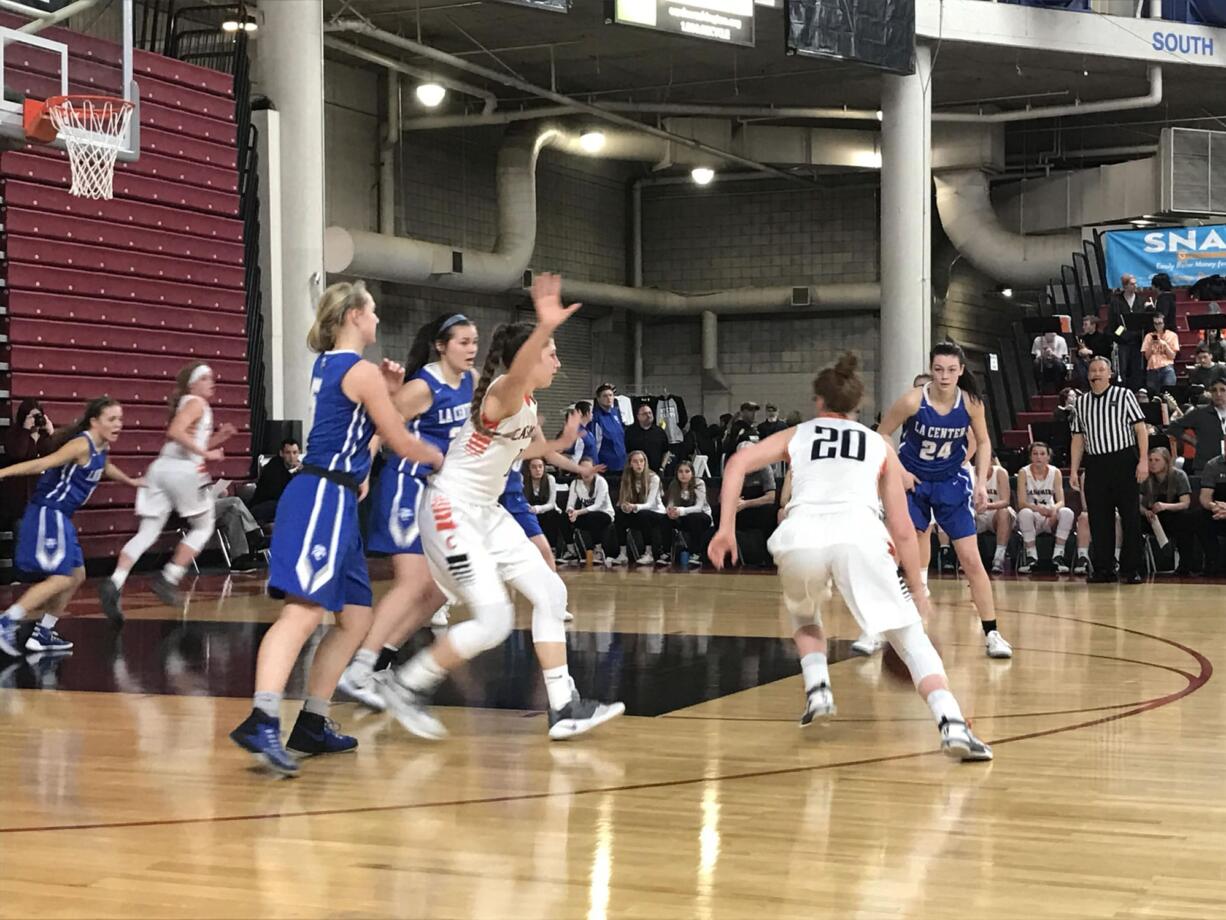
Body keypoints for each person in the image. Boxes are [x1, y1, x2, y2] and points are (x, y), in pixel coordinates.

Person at [707, 353, 992, 761]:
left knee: (805, 616)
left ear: (818, 402)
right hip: (859, 536)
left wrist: (725, 528)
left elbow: (737, 463)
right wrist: (916, 587)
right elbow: (902, 530)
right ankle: (953, 725)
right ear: (856, 407)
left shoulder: (799, 434)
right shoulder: (878, 444)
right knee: (911, 639)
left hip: (799, 535)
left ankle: (819, 689)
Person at [379, 274, 624, 742]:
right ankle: (406, 684)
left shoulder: (526, 407)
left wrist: (564, 444)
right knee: (494, 622)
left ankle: (564, 707)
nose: (557, 359)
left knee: (551, 594)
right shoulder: (501, 394)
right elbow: (518, 374)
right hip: (451, 509)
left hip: (486, 513)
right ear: (525, 360)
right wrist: (544, 326)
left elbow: (522, 451)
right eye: (550, 353)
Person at [228, 280, 446, 776]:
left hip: (339, 497)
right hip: (321, 498)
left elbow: (361, 428)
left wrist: (386, 399)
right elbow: (397, 437)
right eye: (372, 312)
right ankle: (262, 717)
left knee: (355, 619)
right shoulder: (360, 369)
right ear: (353, 315)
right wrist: (437, 456)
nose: (377, 320)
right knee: (302, 614)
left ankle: (312, 721)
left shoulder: (338, 366)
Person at [335, 313, 479, 709]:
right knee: (412, 583)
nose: (471, 349)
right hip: (405, 486)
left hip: (438, 493)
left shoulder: (471, 382)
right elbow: (380, 429)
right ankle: (358, 669)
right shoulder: (423, 386)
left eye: (474, 342)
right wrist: (362, 472)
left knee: (437, 590)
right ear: (441, 345)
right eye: (463, 342)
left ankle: (379, 661)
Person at [878, 342, 1012, 659]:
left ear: (961, 371)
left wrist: (980, 482)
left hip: (952, 483)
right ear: (930, 369)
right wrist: (899, 472)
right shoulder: (913, 401)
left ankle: (992, 633)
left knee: (971, 560)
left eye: (951, 370)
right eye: (938, 369)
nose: (944, 375)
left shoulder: (971, 404)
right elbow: (882, 434)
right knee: (898, 554)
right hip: (914, 483)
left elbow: (982, 440)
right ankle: (876, 629)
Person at [0, 398, 143, 656]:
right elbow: (42, 464)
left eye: (120, 419)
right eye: (112, 419)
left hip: (62, 516)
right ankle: (6, 622)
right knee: (61, 577)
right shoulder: (80, 445)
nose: (118, 424)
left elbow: (105, 467)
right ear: (95, 421)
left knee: (77, 575)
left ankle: (43, 634)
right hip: (48, 511)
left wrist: (131, 481)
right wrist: (3, 473)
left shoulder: (102, 446)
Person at [100, 363, 237, 620]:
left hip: (161, 469)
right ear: (192, 384)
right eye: (205, 378)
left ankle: (115, 581)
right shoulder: (197, 403)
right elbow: (175, 432)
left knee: (148, 532)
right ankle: (169, 577)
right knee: (204, 527)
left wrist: (219, 438)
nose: (212, 382)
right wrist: (207, 453)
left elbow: (188, 441)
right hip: (185, 472)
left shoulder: (190, 404)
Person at [1069, 356, 1148, 584]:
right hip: (1095, 463)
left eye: (1101, 370)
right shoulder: (1081, 402)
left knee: (1130, 516)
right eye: (1092, 370)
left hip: (1124, 460)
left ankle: (1132, 568)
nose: (1096, 374)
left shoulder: (1124, 395)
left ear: (1110, 373)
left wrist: (1143, 460)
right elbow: (1077, 438)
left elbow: (1140, 429)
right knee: (1098, 517)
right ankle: (1104, 568)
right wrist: (1075, 470)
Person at [1016, 442, 1075, 574]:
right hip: (1033, 516)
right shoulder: (1023, 472)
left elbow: (1061, 501)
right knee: (1024, 513)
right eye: (1035, 454)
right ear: (1031, 457)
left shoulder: (1055, 472)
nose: (1039, 457)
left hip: (1050, 516)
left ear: (1048, 457)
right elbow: (1021, 503)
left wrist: (1054, 508)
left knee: (1067, 512)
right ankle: (1031, 557)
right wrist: (1038, 509)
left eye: (1042, 454)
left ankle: (1058, 556)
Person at [1140, 446, 1196, 574]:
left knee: (1186, 520)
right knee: (1133, 522)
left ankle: (1185, 565)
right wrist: (1145, 511)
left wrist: (1165, 506)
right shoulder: (1145, 477)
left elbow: (1185, 503)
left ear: (1166, 461)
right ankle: (1137, 564)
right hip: (1152, 517)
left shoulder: (1178, 475)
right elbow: (1138, 504)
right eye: (1150, 460)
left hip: (1172, 514)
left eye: (1157, 460)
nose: (1153, 463)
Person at [1, 399, 55, 531]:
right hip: (21, 503)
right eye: (33, 417)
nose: (36, 420)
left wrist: (51, 433)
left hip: (42, 500)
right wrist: (26, 430)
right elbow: (17, 453)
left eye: (39, 416)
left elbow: (56, 456)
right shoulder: (13, 435)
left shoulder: (45, 437)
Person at [615, 449, 669, 565]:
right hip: (637, 512)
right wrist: (625, 507)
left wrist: (634, 507)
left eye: (641, 461)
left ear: (645, 462)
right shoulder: (626, 478)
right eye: (635, 461)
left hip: (657, 513)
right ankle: (622, 553)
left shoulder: (654, 478)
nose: (639, 464)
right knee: (619, 513)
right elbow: (622, 501)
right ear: (630, 464)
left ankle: (648, 553)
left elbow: (649, 504)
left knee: (643, 514)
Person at [1166, 378, 1226, 474]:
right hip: (1204, 467)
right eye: (1214, 390)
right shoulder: (1200, 412)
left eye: (1223, 390)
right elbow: (1173, 427)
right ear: (1210, 393)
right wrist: (1192, 441)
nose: (1218, 394)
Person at [567, 457, 617, 564]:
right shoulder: (575, 483)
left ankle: (598, 550)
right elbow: (570, 504)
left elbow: (598, 505)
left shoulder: (601, 481)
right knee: (563, 517)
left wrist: (578, 512)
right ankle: (571, 552)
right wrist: (571, 511)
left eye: (589, 468)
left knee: (593, 517)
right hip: (586, 514)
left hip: (605, 514)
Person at [974, 453, 1016, 575]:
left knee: (1004, 512)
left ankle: (999, 558)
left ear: (991, 461)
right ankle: (968, 560)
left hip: (995, 513)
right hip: (977, 513)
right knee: (964, 514)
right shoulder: (969, 472)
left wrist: (987, 506)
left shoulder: (1000, 472)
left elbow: (1005, 501)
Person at [664, 460, 711, 567]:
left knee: (694, 518)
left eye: (687, 471)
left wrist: (680, 511)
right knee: (664, 519)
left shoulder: (699, 484)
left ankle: (695, 553)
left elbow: (699, 507)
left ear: (692, 473)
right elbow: (670, 503)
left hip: (702, 517)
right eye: (680, 471)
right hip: (682, 517)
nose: (683, 475)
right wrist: (670, 511)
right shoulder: (674, 484)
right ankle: (666, 552)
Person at [248, 438, 301, 523]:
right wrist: (293, 473)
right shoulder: (273, 467)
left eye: (295, 453)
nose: (291, 457)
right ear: (281, 453)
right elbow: (277, 494)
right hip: (262, 506)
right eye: (288, 453)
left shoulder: (301, 470)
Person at [1108, 273, 1146, 391]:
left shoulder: (1141, 300)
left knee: (1137, 368)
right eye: (1131, 284)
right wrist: (1122, 335)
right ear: (1125, 286)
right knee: (1122, 368)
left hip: (1138, 339)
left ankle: (1136, 391)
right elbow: (1113, 323)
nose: (1134, 286)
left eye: (1135, 284)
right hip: (1122, 340)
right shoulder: (1116, 302)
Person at [525, 457, 567, 557]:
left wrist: (538, 509)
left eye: (540, 467)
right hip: (530, 511)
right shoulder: (524, 480)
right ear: (529, 469)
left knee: (552, 515)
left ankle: (552, 549)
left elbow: (552, 503)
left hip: (547, 510)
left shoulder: (549, 479)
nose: (538, 470)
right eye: (534, 467)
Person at [592, 383, 627, 499]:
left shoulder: (616, 413)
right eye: (605, 396)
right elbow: (594, 443)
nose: (609, 398)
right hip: (606, 466)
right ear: (598, 399)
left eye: (611, 395)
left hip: (621, 464)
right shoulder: (596, 417)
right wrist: (595, 464)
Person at [1198, 452, 1226, 573]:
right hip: (1218, 510)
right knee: (1198, 517)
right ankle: (1212, 561)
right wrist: (1214, 507)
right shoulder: (1212, 465)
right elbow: (1205, 497)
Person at [624, 404, 670, 473]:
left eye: (650, 413)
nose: (648, 415)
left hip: (656, 472)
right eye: (644, 413)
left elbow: (666, 452)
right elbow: (626, 452)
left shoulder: (659, 432)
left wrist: (662, 468)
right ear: (638, 416)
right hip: (635, 472)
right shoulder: (630, 432)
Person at [1141, 313, 1181, 394]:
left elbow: (1172, 356)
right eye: (1155, 323)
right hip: (1152, 369)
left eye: (1160, 323)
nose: (1158, 326)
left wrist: (1164, 344)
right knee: (1153, 395)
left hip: (1166, 368)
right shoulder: (1149, 336)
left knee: (1168, 394)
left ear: (1164, 323)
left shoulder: (1172, 335)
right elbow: (1147, 357)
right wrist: (1151, 344)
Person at [567, 400, 598, 465]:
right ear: (587, 413)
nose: (592, 414)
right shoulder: (576, 432)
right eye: (591, 412)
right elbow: (574, 456)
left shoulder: (588, 431)